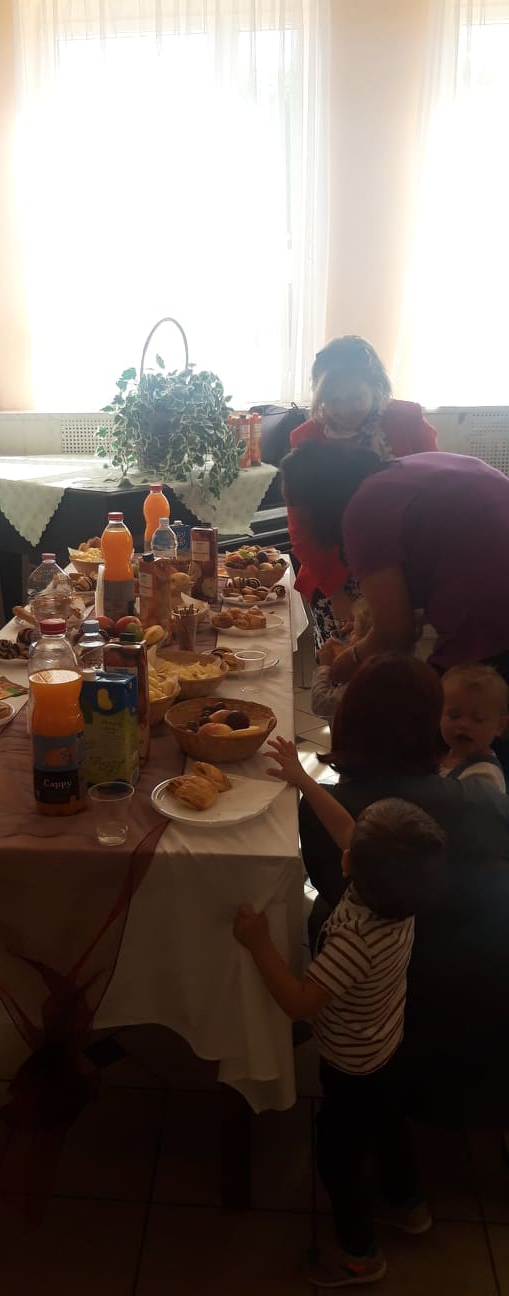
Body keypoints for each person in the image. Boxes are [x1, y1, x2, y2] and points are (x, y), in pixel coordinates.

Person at [235, 739, 445, 1288]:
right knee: (391, 1128)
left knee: (340, 1156)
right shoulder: (399, 897)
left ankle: (360, 1254)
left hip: (351, 1065)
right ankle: (409, 1206)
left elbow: (299, 1001)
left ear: (351, 866)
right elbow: (347, 829)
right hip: (387, 1043)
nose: (347, 838)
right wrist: (304, 782)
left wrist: (259, 943)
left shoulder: (355, 938)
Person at [297, 653, 509, 1123]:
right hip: (479, 1000)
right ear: (433, 722)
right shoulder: (485, 799)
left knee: (319, 915)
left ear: (347, 720)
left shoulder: (324, 810)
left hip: (374, 1006)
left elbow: (337, 895)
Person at [280, 443, 509, 697]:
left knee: (453, 705)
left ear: (319, 505)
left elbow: (395, 633)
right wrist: (372, 618)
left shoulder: (363, 510)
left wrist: (349, 660)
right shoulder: (399, 471)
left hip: (492, 610)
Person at [286, 337, 437, 649]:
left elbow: (435, 494)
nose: (344, 410)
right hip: (337, 574)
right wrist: (336, 592)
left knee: (399, 659)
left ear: (376, 387)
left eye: (355, 397)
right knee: (342, 662)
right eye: (333, 400)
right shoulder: (306, 438)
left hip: (406, 565)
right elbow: (301, 529)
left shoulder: (406, 421)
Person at [440, 664, 507, 792]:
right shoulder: (442, 757)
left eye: (478, 719)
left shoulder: (485, 775)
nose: (463, 724)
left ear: (500, 726)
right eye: (454, 716)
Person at [311, 598, 371, 722]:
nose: (350, 633)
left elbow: (321, 704)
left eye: (355, 632)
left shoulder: (365, 681)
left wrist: (324, 667)